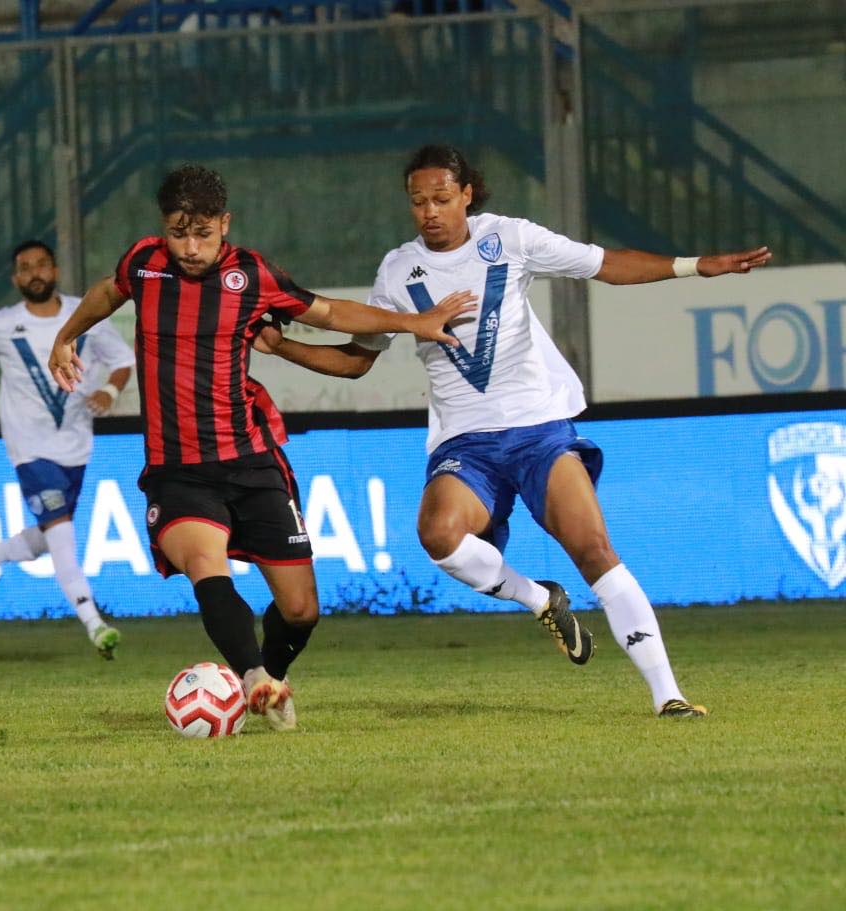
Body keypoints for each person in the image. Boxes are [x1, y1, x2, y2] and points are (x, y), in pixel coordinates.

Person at [257, 143, 774, 718]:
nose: (429, 211)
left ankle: (668, 696)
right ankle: (538, 598)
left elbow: (606, 264)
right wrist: (282, 347)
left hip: (538, 430)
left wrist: (694, 266)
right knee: (438, 535)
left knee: (593, 549)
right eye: (418, 201)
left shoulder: (510, 238)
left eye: (441, 198)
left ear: (467, 194)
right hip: (465, 443)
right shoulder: (398, 270)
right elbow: (357, 360)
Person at [47, 164, 474, 729]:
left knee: (301, 610)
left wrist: (414, 322)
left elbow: (329, 311)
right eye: (178, 234)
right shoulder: (144, 263)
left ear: (224, 224)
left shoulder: (251, 275)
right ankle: (251, 677)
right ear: (163, 228)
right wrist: (66, 335)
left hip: (251, 460)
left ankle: (271, 674)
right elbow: (107, 291)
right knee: (206, 565)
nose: (190, 248)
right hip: (178, 469)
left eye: (203, 234)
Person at [0, 240, 135, 659]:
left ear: (55, 271)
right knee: (61, 536)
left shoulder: (86, 314)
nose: (34, 273)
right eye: (25, 268)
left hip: (75, 444)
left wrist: (110, 391)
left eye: (41, 265)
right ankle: (95, 624)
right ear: (15, 278)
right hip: (28, 447)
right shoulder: (1, 324)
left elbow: (123, 360)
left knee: (51, 533)